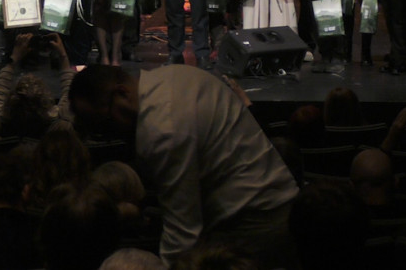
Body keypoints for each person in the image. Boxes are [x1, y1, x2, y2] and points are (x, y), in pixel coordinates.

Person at [69, 65, 299, 267]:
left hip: (253, 223)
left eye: (103, 124)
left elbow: (182, 235)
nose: (105, 135)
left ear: (122, 93)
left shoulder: (161, 130)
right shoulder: (170, 77)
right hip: (271, 208)